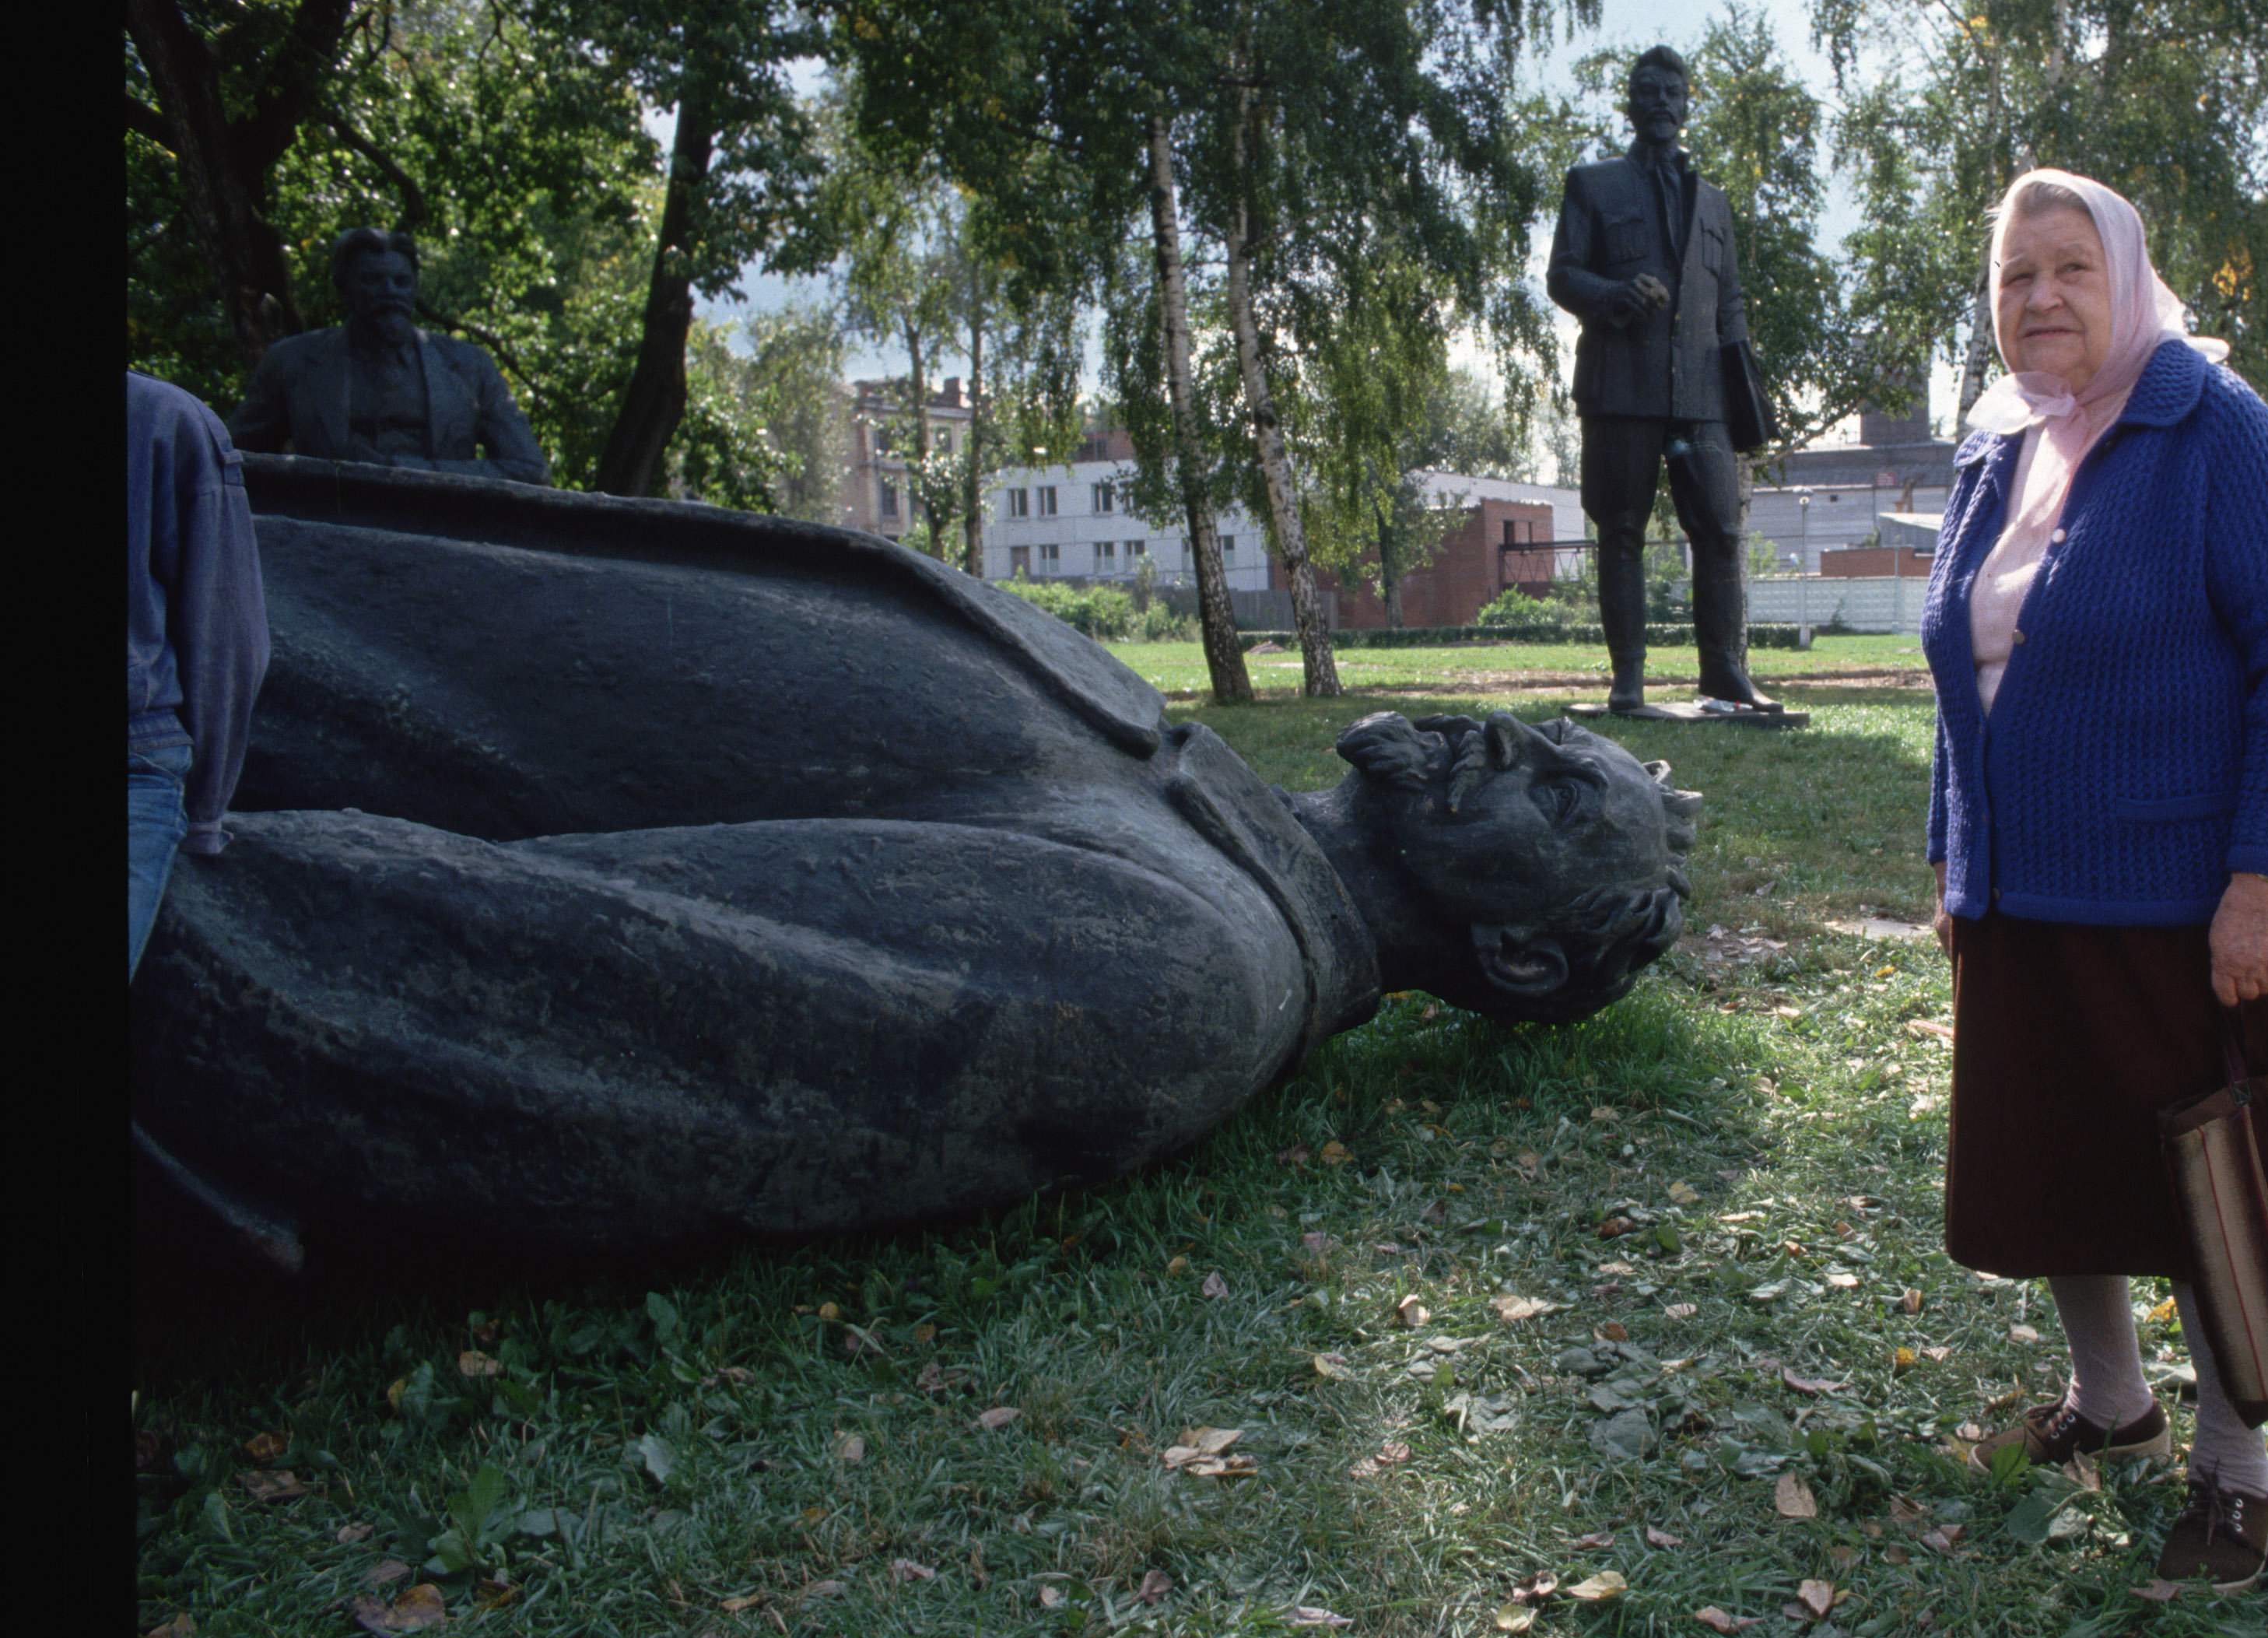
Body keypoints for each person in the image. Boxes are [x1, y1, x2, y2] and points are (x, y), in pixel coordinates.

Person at [131, 454, 1701, 1257]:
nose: (1508, 735)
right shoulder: (1140, 736)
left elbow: (479, 982)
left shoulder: (1182, 963)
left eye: (1557, 798)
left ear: (1516, 955)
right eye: (1551, 731)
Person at [1920, 170, 2268, 1591]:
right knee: (2064, 1159)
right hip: (2020, 895)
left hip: (2175, 904)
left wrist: (2265, 881)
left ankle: (2235, 1471)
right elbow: (1965, 677)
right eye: (2014, 275)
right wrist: (1953, 852)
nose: (2039, 296)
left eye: (2070, 267)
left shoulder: (2210, 425)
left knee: (2205, 1189)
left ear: (2127, 278)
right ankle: (2109, 1400)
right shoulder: (1995, 447)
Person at [1545, 47, 1781, 714]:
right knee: (1621, 529)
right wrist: (1615, 294)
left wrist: (1744, 394)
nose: (1661, 103)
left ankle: (1723, 672)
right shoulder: (1593, 185)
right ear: (1630, 102)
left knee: (1722, 532)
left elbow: (1730, 303)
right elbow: (1562, 276)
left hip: (1701, 394)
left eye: (1672, 92)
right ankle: (1628, 678)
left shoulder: (1714, 204)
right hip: (1621, 386)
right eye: (1648, 91)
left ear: (1686, 104)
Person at [128, 372, 268, 977]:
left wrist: (206, 805)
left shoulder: (164, 420)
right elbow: (228, 637)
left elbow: (226, 637)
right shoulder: (168, 418)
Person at [227, 227, 549, 482]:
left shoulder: (470, 366)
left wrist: (411, 472)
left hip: (442, 527)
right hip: (331, 526)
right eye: (372, 280)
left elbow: (529, 469)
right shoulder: (292, 363)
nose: (390, 292)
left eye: (401, 282)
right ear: (343, 287)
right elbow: (230, 459)